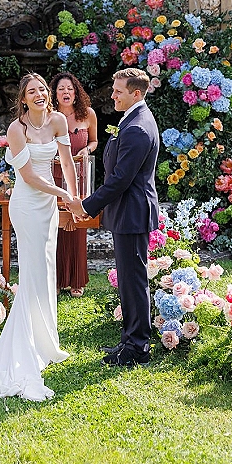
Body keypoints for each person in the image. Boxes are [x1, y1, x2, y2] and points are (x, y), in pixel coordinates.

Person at [0, 72, 78, 401]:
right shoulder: (18, 129)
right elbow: (28, 176)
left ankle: (46, 344)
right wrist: (63, 194)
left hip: (50, 206)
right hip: (28, 206)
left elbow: (68, 162)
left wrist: (75, 197)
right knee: (31, 273)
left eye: (43, 89)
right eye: (33, 91)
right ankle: (25, 347)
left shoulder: (58, 121)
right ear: (24, 99)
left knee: (46, 271)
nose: (40, 94)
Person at [66, 68, 159, 367]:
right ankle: (129, 340)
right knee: (129, 280)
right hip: (127, 212)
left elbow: (120, 179)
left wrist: (86, 205)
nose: (112, 95)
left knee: (133, 281)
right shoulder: (131, 120)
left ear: (136, 93)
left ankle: (138, 348)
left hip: (132, 212)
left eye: (118, 91)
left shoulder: (137, 127)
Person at [50, 73, 98, 298]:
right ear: (54, 93)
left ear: (76, 92)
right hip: (54, 178)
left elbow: (94, 141)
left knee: (77, 227)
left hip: (79, 177)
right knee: (56, 228)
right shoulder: (48, 117)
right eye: (61, 89)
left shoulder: (88, 114)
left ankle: (77, 280)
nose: (66, 92)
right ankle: (57, 280)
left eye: (70, 88)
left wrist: (86, 150)